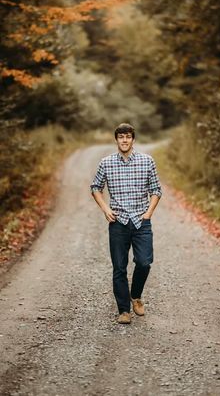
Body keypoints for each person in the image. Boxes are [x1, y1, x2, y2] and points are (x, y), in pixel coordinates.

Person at [90, 123, 162, 324]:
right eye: (121, 136)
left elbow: (156, 190)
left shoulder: (147, 161)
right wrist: (105, 209)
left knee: (144, 262)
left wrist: (148, 213)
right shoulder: (106, 163)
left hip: (141, 220)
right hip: (118, 222)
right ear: (116, 140)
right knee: (119, 268)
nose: (124, 140)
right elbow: (95, 187)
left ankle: (136, 296)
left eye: (128, 136)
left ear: (133, 139)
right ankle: (124, 310)